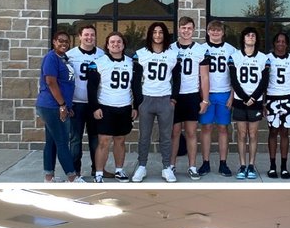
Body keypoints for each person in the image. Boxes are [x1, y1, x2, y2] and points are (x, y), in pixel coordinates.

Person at [88, 31, 136, 182]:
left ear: (123, 45)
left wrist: (136, 107)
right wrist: (95, 107)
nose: (116, 44)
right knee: (104, 141)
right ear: (107, 45)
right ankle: (99, 174)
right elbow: (92, 88)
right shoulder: (99, 62)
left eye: (119, 42)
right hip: (106, 106)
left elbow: (135, 87)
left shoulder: (131, 62)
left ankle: (119, 170)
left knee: (120, 140)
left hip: (124, 106)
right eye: (112, 42)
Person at [132, 21, 177, 182]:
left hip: (165, 98)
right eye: (154, 32)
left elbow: (177, 78)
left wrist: (173, 99)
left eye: (161, 32)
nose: (157, 35)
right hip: (147, 98)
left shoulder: (172, 53)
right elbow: (135, 81)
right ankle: (142, 166)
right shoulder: (140, 53)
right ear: (150, 34)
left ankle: (166, 167)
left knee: (166, 136)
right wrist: (138, 102)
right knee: (144, 136)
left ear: (165, 35)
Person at [37, 27, 81, 182]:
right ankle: (73, 178)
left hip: (59, 106)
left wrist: (67, 106)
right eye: (60, 41)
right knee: (62, 142)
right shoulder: (51, 58)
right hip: (52, 106)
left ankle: (49, 178)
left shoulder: (63, 58)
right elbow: (50, 82)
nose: (64, 43)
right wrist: (62, 105)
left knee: (52, 142)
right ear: (54, 42)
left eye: (66, 41)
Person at [167, 15, 207, 181]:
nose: (186, 31)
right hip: (174, 96)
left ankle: (192, 166)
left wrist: (205, 99)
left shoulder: (200, 49)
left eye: (189, 28)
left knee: (191, 132)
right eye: (183, 28)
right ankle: (171, 165)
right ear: (178, 29)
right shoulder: (170, 48)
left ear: (194, 30)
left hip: (192, 95)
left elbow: (204, 76)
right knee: (174, 132)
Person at [228, 26, 269, 180]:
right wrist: (245, 97)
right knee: (241, 134)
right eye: (248, 35)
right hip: (240, 100)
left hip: (256, 101)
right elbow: (234, 80)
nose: (250, 37)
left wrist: (253, 98)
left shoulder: (263, 58)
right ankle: (242, 165)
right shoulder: (235, 56)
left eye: (253, 35)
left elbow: (264, 82)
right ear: (243, 38)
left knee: (253, 134)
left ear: (256, 39)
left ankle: (251, 165)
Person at [66, 22, 106, 179]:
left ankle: (97, 170)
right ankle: (75, 172)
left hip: (94, 104)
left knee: (95, 139)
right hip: (76, 103)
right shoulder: (70, 55)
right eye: (86, 34)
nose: (89, 37)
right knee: (75, 140)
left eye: (92, 35)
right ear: (80, 36)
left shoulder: (102, 55)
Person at [198, 19, 237, 177]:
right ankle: (205, 162)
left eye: (218, 30)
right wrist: (201, 97)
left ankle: (223, 163)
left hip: (224, 92)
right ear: (207, 32)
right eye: (212, 30)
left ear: (223, 32)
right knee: (206, 128)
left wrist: (232, 95)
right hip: (206, 94)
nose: (215, 33)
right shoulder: (200, 49)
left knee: (223, 128)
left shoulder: (231, 50)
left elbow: (236, 76)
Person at [265, 30, 290, 179]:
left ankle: (284, 167)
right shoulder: (267, 59)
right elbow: (263, 82)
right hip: (272, 98)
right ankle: (272, 166)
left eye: (283, 41)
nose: (280, 44)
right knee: (273, 131)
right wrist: (263, 102)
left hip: (287, 98)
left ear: (287, 44)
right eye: (278, 41)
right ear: (274, 43)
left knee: (285, 132)